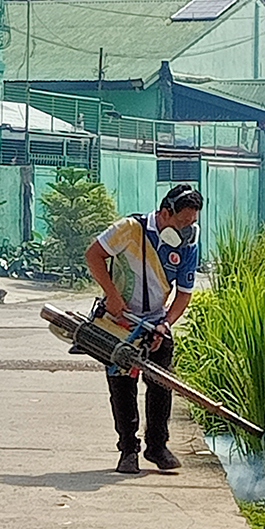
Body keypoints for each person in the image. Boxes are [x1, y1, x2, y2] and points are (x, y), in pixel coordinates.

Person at [85, 183, 203, 474]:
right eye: (182, 222)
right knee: (123, 387)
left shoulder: (188, 245)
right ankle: (128, 449)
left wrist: (165, 324)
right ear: (165, 213)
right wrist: (111, 294)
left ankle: (157, 446)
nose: (187, 229)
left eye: (192, 223)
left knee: (161, 386)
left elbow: (184, 294)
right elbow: (93, 255)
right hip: (119, 322)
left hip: (155, 323)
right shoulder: (130, 229)